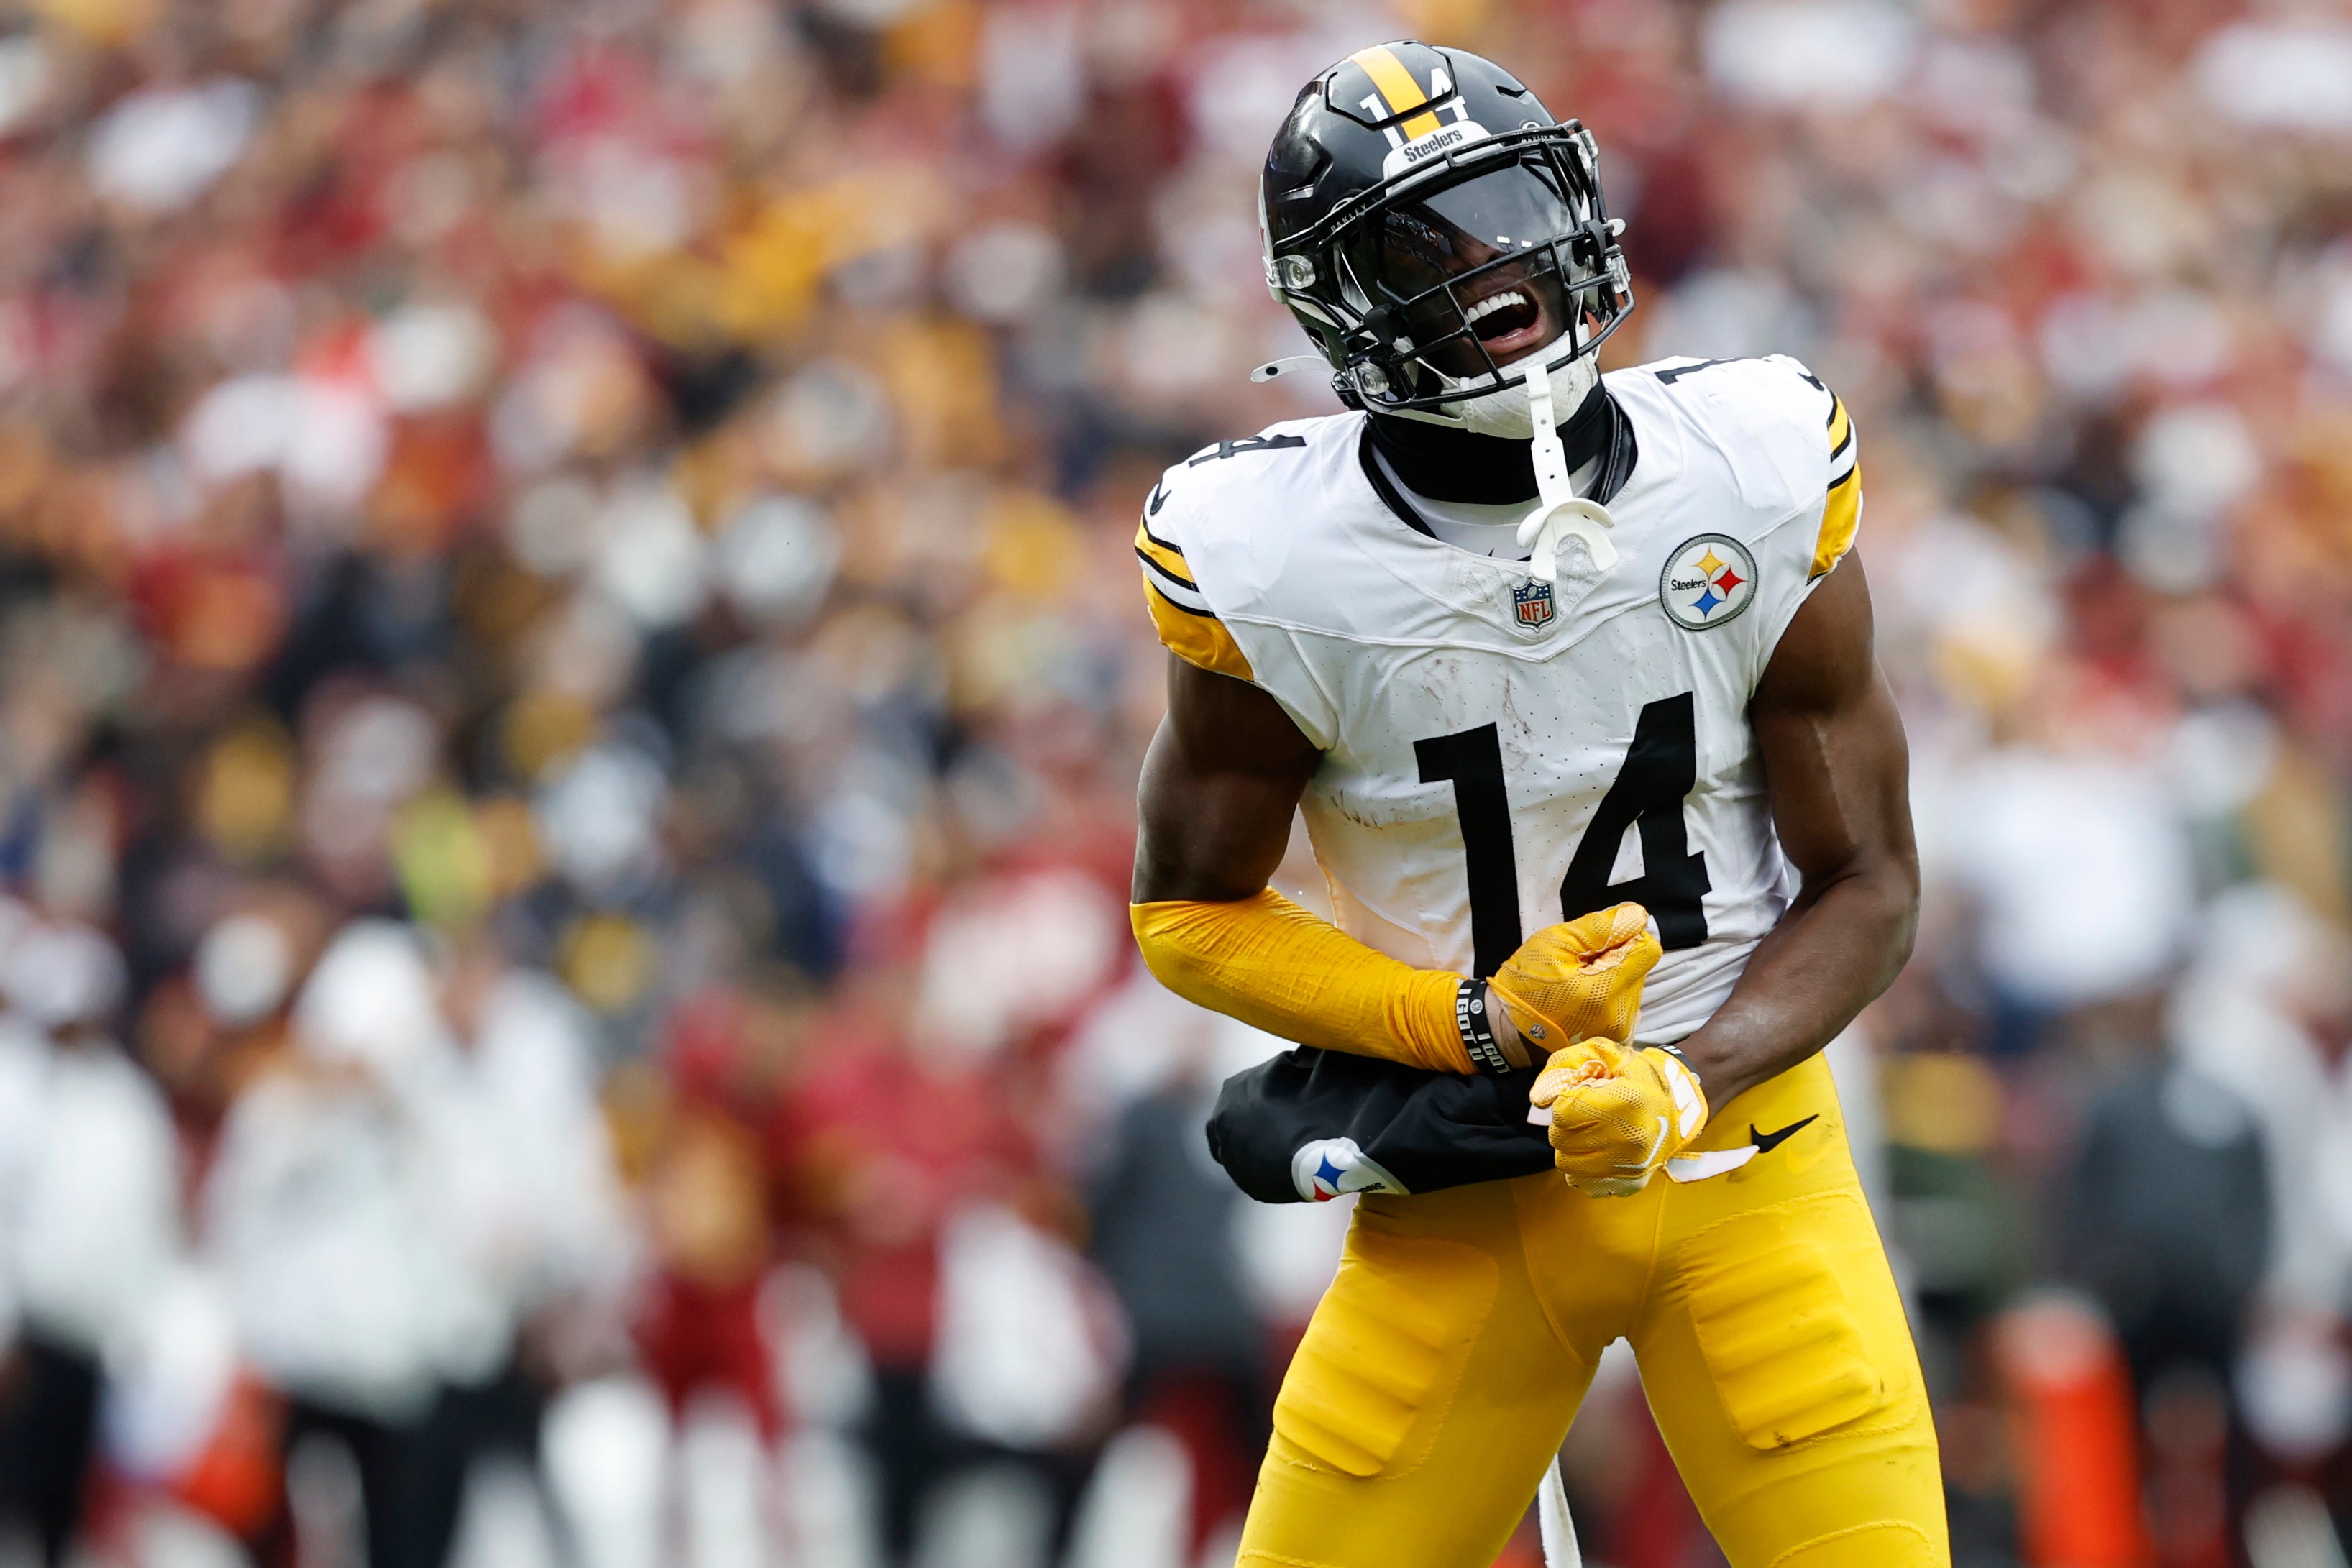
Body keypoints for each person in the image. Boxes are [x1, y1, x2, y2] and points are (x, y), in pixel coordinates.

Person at [1127, 42, 1944, 1568]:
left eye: (1504, 206)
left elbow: (1872, 881)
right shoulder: (1270, 554)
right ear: (1334, 302)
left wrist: (1683, 1081)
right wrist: (1469, 1024)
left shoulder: (1751, 462)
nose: (1490, 263)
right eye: (1417, 243)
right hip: (1465, 1198)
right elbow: (1185, 911)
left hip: (1745, 1165)